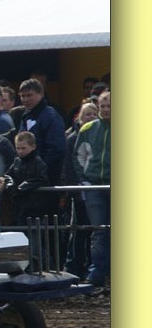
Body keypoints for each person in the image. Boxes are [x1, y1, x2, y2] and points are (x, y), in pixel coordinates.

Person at [73, 90, 110, 287]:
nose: (105, 110)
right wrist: (84, 179)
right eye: (102, 106)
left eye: (109, 106)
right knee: (98, 230)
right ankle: (97, 272)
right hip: (94, 185)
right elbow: (78, 156)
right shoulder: (88, 128)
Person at [62, 101, 99, 277]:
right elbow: (69, 167)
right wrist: (75, 190)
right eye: (87, 114)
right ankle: (75, 267)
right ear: (80, 118)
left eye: (94, 114)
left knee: (97, 231)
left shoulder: (101, 136)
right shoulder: (72, 139)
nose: (91, 117)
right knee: (79, 231)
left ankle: (94, 266)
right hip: (80, 192)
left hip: (97, 190)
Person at [17, 77, 66, 186]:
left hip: (47, 180)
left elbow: (56, 149)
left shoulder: (51, 116)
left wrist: (40, 174)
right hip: (29, 178)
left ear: (41, 94)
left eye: (29, 95)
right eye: (22, 96)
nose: (25, 99)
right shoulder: (25, 116)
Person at [2, 131, 50, 228]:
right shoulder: (17, 161)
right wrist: (11, 184)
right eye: (17, 148)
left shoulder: (38, 162)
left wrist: (24, 186)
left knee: (33, 232)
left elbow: (42, 179)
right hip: (19, 206)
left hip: (35, 207)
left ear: (33, 147)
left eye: (23, 148)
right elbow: (7, 175)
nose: (20, 151)